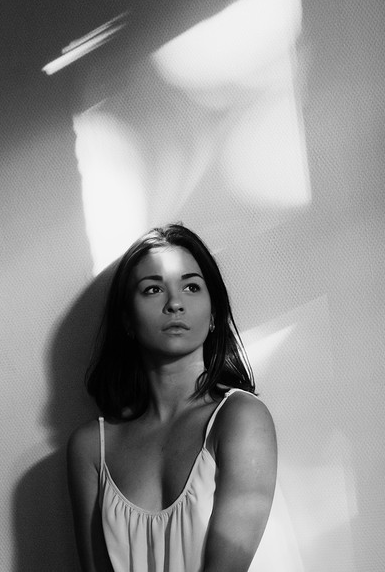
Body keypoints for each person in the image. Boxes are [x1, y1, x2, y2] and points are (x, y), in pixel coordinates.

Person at [67, 223, 277, 572]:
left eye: (191, 287)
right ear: (126, 319)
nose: (175, 303)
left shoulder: (240, 418)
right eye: (153, 289)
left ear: (213, 315)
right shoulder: (91, 447)